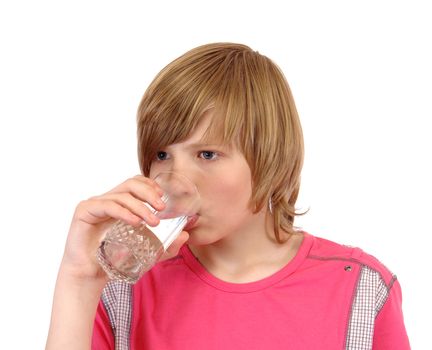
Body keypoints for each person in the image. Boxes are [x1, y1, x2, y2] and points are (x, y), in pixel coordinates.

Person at [46, 43, 410, 350]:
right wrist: (78, 279)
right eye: (161, 155)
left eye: (207, 154)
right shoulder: (122, 290)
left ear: (271, 157)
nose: (177, 179)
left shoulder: (358, 288)